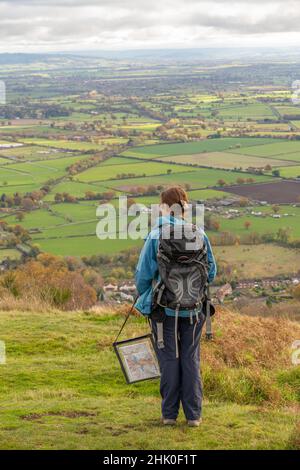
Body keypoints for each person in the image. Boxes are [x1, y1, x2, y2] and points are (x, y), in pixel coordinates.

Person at [135, 186, 217, 427]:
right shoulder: (199, 233)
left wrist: (147, 298)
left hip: (163, 310)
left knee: (169, 358)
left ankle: (169, 415)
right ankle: (194, 416)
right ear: (185, 207)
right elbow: (211, 272)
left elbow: (143, 275)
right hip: (194, 309)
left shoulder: (155, 235)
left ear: (164, 207)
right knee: (190, 358)